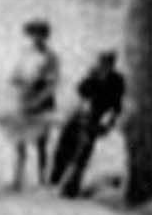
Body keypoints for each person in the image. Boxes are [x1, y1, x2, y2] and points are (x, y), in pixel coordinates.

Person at [47, 44, 127, 197]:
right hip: (79, 115)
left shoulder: (117, 80)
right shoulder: (93, 74)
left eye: (107, 63)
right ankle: (55, 180)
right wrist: (91, 77)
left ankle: (70, 187)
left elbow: (117, 106)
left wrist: (108, 125)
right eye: (102, 62)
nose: (104, 66)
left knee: (82, 153)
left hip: (96, 118)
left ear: (112, 64)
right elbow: (81, 91)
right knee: (64, 146)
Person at [4, 19, 61, 187]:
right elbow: (14, 75)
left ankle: (42, 179)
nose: (37, 38)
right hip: (24, 99)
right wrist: (18, 84)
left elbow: (53, 83)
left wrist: (39, 99)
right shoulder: (25, 53)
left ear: (46, 37)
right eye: (34, 35)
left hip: (43, 101)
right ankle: (18, 179)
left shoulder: (51, 57)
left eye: (40, 35)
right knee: (19, 142)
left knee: (41, 143)